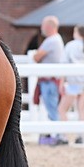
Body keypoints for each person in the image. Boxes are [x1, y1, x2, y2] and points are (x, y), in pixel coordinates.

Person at [31, 15, 65, 145]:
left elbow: (36, 57)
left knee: (52, 109)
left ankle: (56, 134)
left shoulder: (51, 41)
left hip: (49, 80)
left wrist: (36, 54)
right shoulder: (56, 40)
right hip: (51, 80)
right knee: (52, 107)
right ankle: (55, 134)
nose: (42, 28)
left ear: (49, 26)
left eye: (43, 25)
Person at [58, 24, 84, 144]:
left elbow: (64, 64)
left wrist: (62, 82)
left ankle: (65, 136)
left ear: (77, 32)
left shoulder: (71, 45)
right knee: (81, 109)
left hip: (73, 82)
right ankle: (82, 136)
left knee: (62, 109)